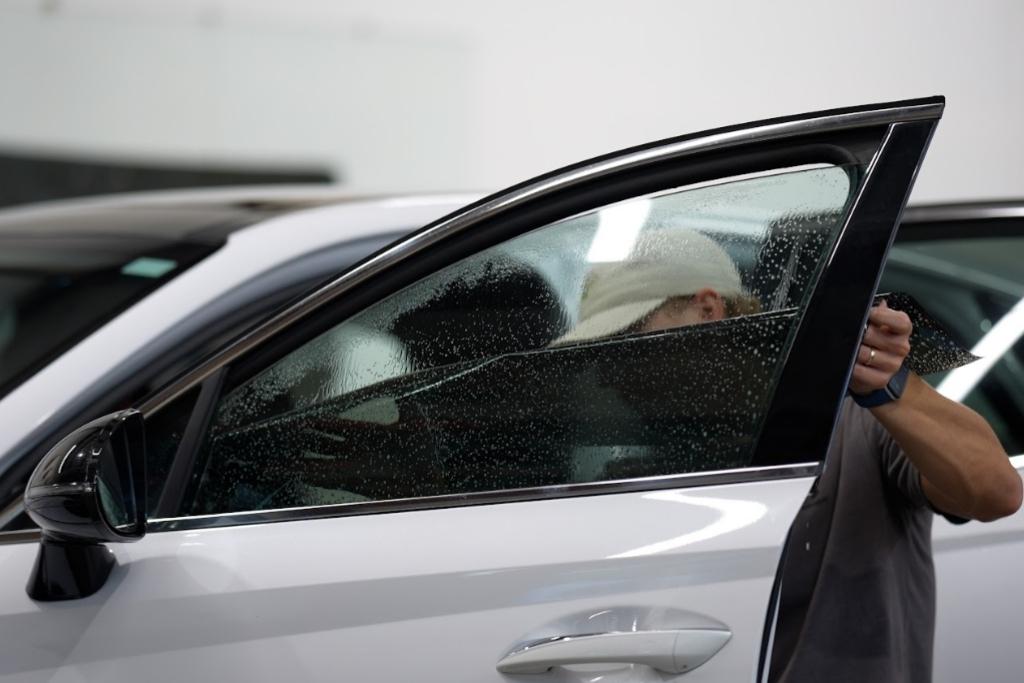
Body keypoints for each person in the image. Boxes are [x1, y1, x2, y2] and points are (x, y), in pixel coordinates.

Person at [559, 227, 1022, 682]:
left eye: (630, 340)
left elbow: (995, 491)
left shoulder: (853, 417)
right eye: (602, 355)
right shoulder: (651, 466)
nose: (609, 375)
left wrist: (887, 386)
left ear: (706, 310)